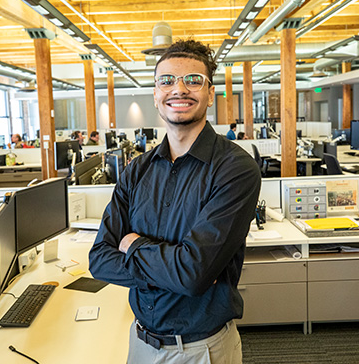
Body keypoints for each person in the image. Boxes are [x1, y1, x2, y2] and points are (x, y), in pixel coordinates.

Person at [89, 39, 261, 364]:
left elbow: (193, 275)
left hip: (201, 350)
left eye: (193, 80)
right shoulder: (137, 170)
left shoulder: (236, 169)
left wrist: (134, 244)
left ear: (210, 93)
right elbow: (99, 260)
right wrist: (176, 269)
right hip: (139, 342)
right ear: (155, 93)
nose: (179, 90)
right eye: (167, 81)